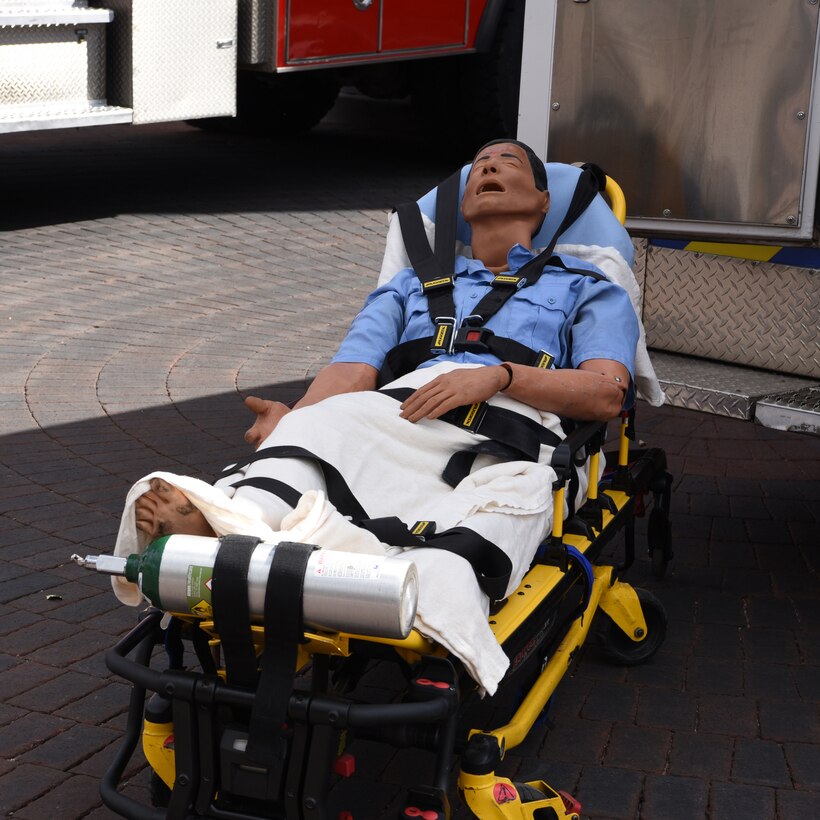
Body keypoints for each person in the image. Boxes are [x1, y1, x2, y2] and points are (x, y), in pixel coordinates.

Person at [127, 140, 639, 692]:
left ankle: (423, 589)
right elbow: (351, 372)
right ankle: (229, 526)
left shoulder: (585, 287)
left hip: (511, 430)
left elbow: (607, 392)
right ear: (461, 210)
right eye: (478, 166)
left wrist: (501, 376)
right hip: (398, 415)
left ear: (543, 203)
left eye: (508, 162)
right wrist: (294, 417)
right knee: (315, 430)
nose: (487, 166)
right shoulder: (409, 286)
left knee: (502, 504)